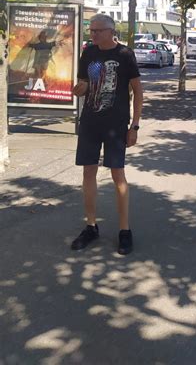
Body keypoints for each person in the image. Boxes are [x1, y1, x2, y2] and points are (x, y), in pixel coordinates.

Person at [71, 14, 143, 256]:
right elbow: (83, 84)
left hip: (116, 124)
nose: (93, 35)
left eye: (97, 31)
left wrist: (134, 127)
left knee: (117, 174)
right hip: (91, 121)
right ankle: (91, 226)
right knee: (88, 171)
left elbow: (138, 92)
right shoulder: (88, 53)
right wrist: (80, 89)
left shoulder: (125, 55)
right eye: (91, 31)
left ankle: (125, 230)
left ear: (111, 31)